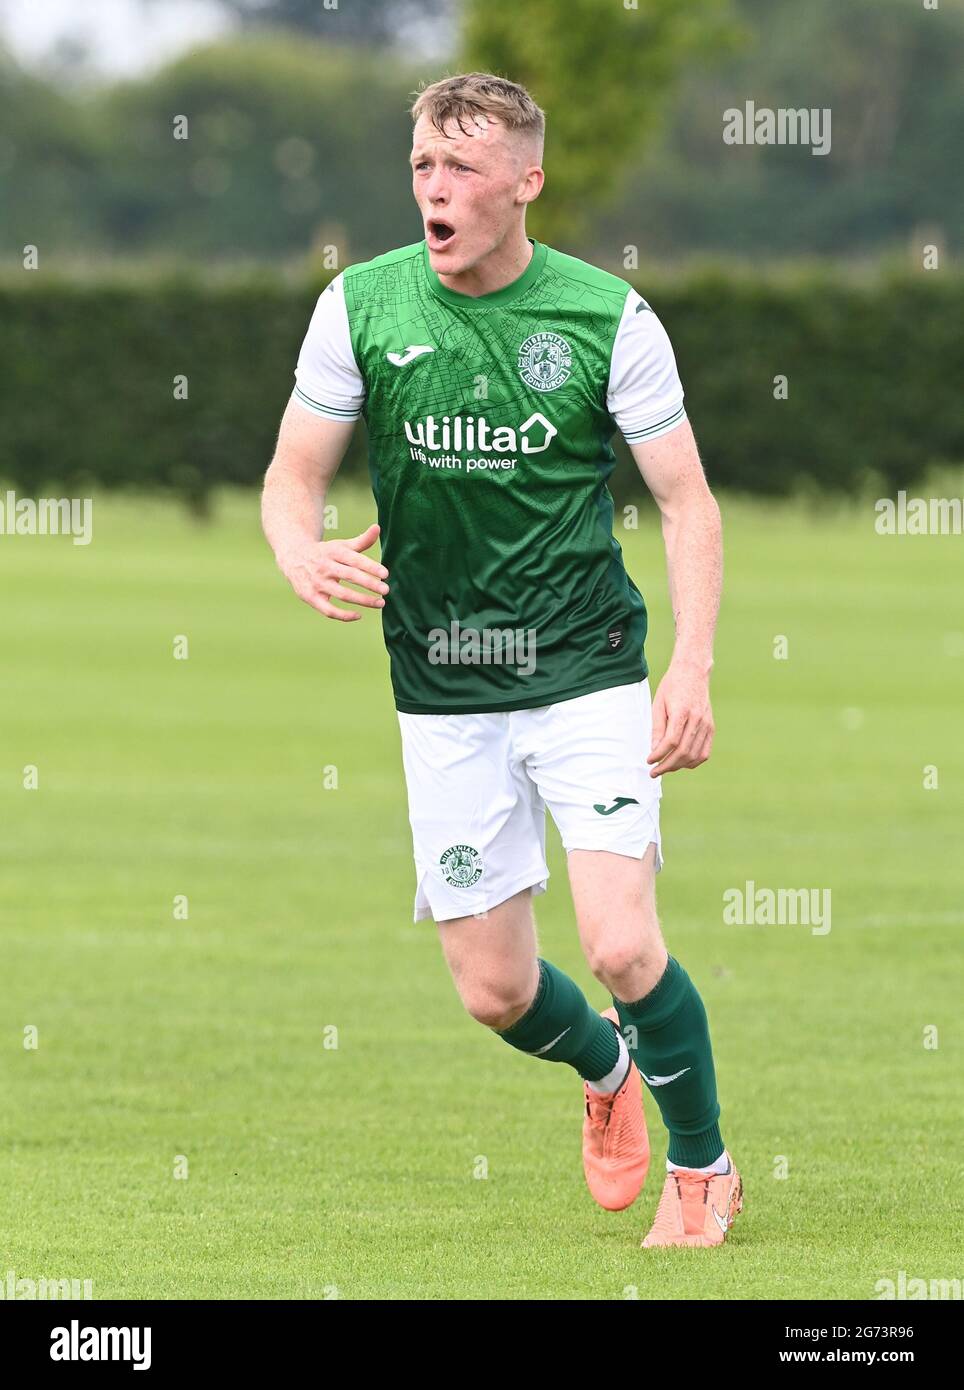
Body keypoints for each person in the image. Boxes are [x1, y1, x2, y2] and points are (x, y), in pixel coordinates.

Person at [261, 72, 741, 1247]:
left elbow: (685, 503)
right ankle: (607, 1073)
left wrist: (690, 670)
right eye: (423, 164)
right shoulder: (359, 306)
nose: (436, 186)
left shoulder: (604, 316)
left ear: (524, 184)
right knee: (496, 992)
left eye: (463, 168)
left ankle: (705, 1168)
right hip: (441, 686)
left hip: (584, 669)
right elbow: (292, 477)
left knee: (622, 940)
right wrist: (299, 554)